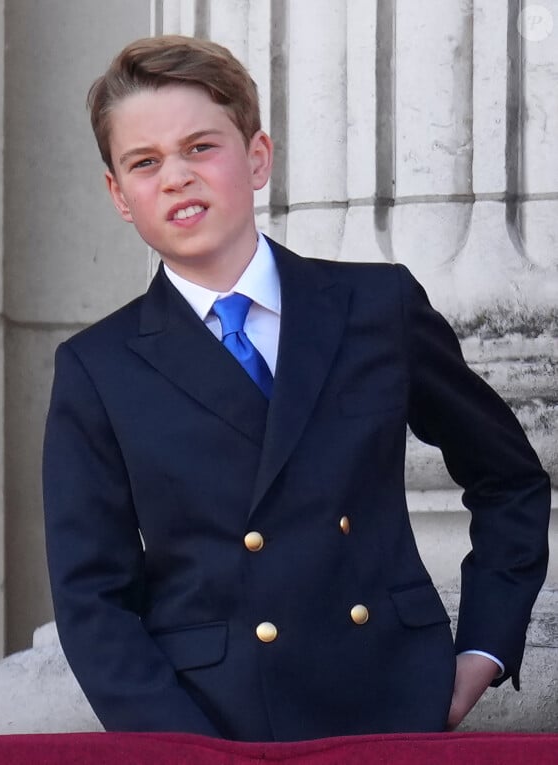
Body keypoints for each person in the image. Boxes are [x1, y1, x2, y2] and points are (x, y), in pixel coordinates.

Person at [43, 34, 550, 742]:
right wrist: (178, 746)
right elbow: (92, 597)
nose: (176, 176)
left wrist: (486, 644)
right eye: (145, 162)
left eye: (200, 147)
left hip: (392, 703)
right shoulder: (98, 367)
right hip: (215, 724)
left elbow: (510, 480)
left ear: (257, 158)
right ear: (119, 194)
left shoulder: (379, 307)